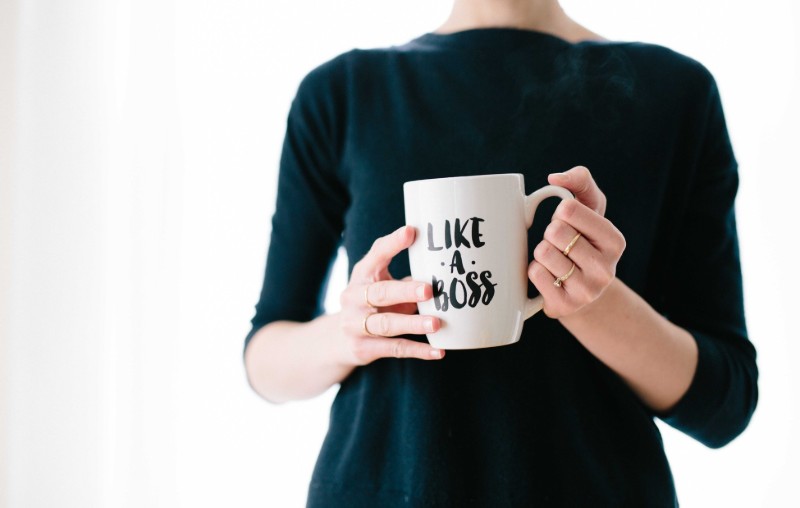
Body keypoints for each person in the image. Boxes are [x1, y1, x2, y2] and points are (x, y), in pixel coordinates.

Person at [242, 0, 758, 505]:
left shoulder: (674, 93)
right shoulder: (343, 94)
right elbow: (265, 360)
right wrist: (349, 333)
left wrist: (592, 303)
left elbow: (724, 404)